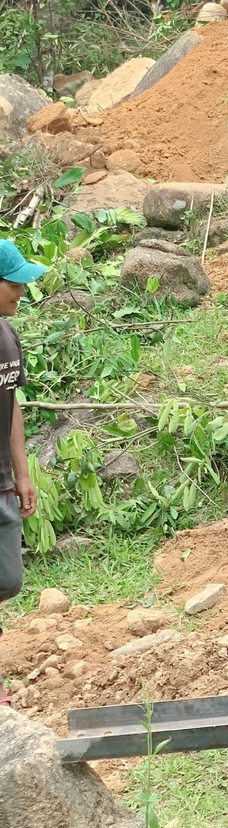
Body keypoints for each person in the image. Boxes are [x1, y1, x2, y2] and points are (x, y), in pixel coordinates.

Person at [0, 241, 44, 639]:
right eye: (14, 283)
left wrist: (22, 473)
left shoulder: (8, 335)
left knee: (9, 580)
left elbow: (11, 403)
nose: (22, 292)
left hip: (2, 481)